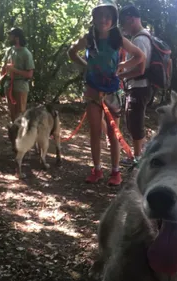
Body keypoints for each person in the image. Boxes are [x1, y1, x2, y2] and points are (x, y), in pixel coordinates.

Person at [68, 0, 145, 186]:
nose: (103, 20)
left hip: (112, 92)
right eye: (99, 16)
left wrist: (123, 67)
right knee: (95, 132)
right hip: (93, 91)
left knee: (113, 133)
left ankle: (115, 171)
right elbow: (71, 52)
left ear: (113, 19)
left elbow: (140, 56)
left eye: (107, 17)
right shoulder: (88, 39)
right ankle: (96, 169)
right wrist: (87, 66)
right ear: (93, 18)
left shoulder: (117, 39)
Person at [118, 3, 152, 165]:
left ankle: (139, 158)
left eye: (123, 23)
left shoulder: (140, 39)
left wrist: (121, 75)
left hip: (139, 87)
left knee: (135, 122)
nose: (123, 28)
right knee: (133, 120)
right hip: (139, 87)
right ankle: (139, 156)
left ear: (130, 19)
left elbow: (140, 68)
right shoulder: (145, 36)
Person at [0, 27, 35, 122]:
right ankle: (13, 134)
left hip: (20, 86)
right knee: (11, 112)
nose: (9, 37)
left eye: (11, 35)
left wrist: (14, 70)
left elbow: (29, 74)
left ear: (17, 38)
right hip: (9, 86)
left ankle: (20, 134)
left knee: (20, 114)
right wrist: (0, 78)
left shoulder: (26, 53)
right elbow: (4, 67)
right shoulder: (9, 50)